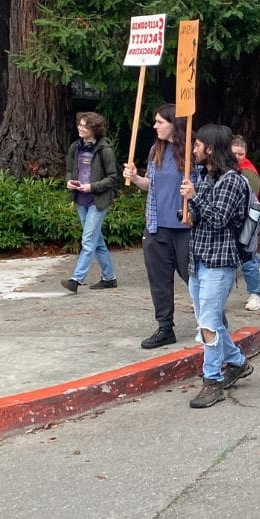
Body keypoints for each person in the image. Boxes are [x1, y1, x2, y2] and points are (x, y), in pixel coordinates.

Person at [180, 125, 254, 409]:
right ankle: (236, 362)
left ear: (210, 149)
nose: (194, 150)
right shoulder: (207, 177)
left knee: (209, 324)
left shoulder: (232, 181)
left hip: (219, 261)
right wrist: (187, 211)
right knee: (207, 321)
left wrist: (194, 196)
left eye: (197, 145)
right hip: (198, 259)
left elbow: (220, 218)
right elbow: (202, 215)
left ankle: (212, 381)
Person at [123, 104, 192, 350]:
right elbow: (151, 185)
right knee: (159, 280)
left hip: (185, 227)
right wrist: (135, 178)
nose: (155, 126)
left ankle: (212, 322)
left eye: (160, 122)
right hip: (156, 226)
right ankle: (165, 327)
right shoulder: (156, 150)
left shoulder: (192, 152)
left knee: (193, 278)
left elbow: (202, 187)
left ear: (174, 123)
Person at [63, 112, 120, 292]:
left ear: (94, 129)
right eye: (79, 124)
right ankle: (109, 277)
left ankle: (76, 279)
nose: (80, 128)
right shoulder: (75, 147)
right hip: (80, 200)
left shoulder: (105, 149)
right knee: (97, 240)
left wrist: (92, 186)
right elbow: (69, 169)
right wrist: (69, 181)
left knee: (88, 240)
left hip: (98, 200)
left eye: (84, 126)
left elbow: (113, 178)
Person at [232, 135, 260, 311]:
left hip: (249, 218)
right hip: (232, 220)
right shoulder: (223, 170)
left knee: (247, 257)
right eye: (234, 153)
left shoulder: (248, 172)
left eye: (241, 153)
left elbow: (249, 201)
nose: (238, 157)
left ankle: (255, 294)